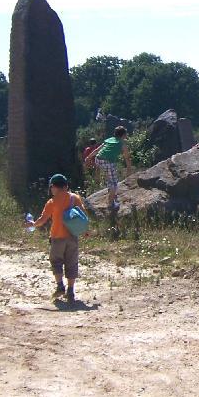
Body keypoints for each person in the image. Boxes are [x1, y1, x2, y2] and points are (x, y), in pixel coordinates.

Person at [28, 174, 84, 304]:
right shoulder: (75, 198)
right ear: (66, 186)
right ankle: (70, 291)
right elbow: (82, 215)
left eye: (51, 187)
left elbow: (42, 220)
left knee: (56, 261)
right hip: (72, 236)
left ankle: (60, 286)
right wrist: (85, 231)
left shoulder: (52, 202)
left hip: (57, 237)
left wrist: (33, 224)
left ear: (53, 187)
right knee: (72, 263)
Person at [85, 126, 133, 211]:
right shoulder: (122, 143)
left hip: (98, 158)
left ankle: (111, 192)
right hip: (108, 162)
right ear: (123, 135)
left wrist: (88, 157)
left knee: (109, 177)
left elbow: (97, 150)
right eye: (126, 134)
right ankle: (111, 204)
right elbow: (127, 158)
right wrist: (129, 168)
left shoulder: (109, 140)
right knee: (114, 183)